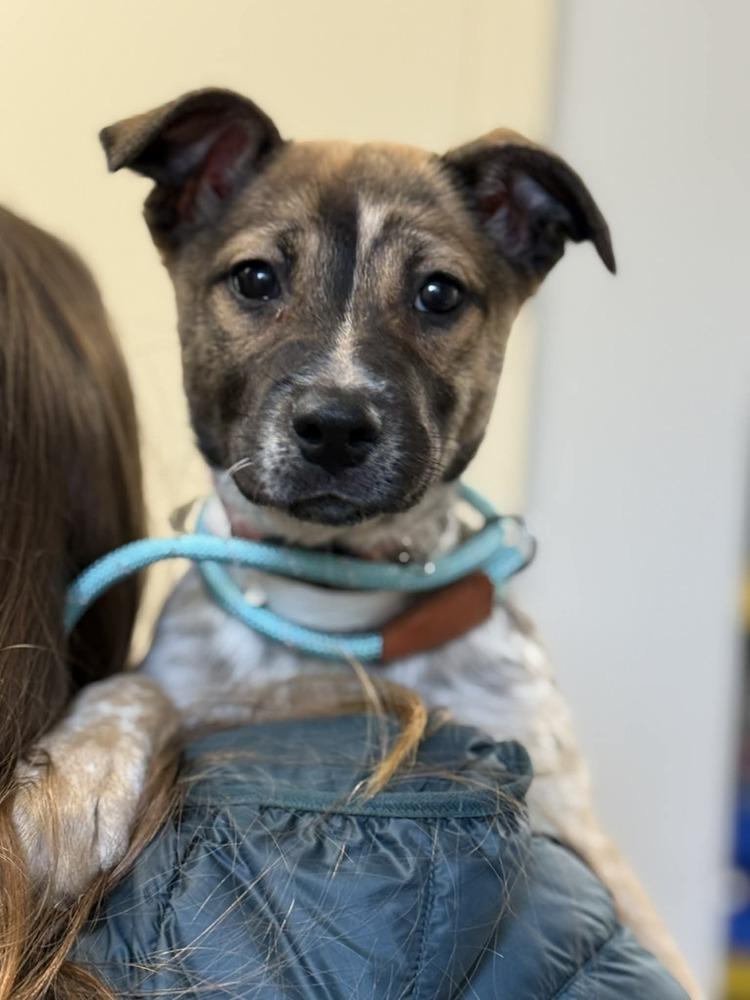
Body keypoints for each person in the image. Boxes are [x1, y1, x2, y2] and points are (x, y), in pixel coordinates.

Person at [0, 207, 687, 999]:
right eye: (259, 282)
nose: (338, 391)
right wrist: (128, 710)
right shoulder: (191, 631)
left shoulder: (488, 655)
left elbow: (598, 904)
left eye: (435, 296)